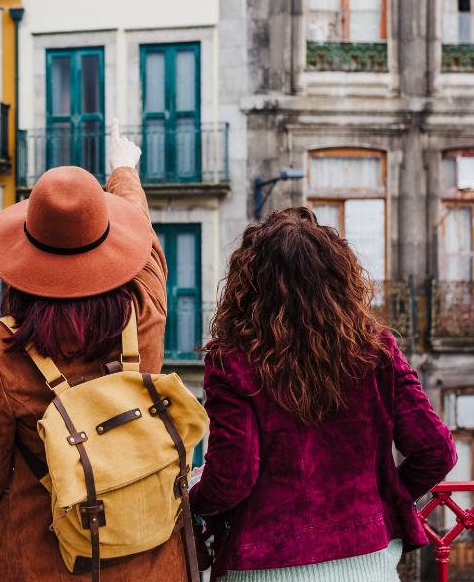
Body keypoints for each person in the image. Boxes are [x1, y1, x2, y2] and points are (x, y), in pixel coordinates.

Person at [0, 120, 189, 581]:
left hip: (43, 564)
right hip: (151, 562)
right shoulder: (144, 307)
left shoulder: (1, 350)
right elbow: (144, 240)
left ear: (24, 257)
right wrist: (123, 170)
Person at [189, 207, 457, 582]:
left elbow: (232, 477)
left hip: (264, 565)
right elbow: (436, 451)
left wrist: (194, 499)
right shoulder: (377, 351)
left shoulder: (233, 362)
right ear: (339, 280)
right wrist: (382, 497)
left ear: (248, 286)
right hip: (370, 561)